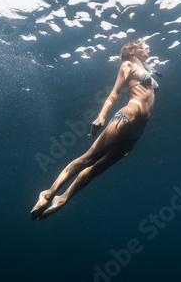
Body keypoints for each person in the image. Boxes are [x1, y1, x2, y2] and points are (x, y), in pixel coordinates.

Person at [31, 39, 160, 220]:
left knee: (98, 169)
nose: (147, 48)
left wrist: (132, 143)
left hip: (137, 131)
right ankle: (48, 193)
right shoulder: (127, 65)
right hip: (126, 117)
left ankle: (63, 199)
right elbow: (115, 92)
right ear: (131, 50)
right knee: (88, 159)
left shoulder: (149, 71)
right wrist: (101, 115)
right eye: (143, 46)